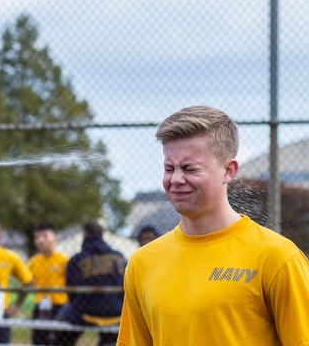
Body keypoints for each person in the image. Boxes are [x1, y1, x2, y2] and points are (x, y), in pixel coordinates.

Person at [117, 105, 309, 345]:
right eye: (169, 168)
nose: (176, 179)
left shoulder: (278, 257)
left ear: (229, 170)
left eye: (189, 168)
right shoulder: (142, 263)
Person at [56, 221, 126, 346]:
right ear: (102, 235)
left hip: (85, 312)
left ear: (85, 234)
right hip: (116, 311)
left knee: (61, 329)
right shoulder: (119, 257)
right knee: (111, 339)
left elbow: (70, 292)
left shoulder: (76, 260)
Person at [27, 221, 69, 345]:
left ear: (55, 238)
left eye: (45, 236)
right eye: (37, 237)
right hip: (40, 307)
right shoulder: (33, 262)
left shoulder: (64, 260)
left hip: (59, 308)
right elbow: (27, 281)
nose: (40, 241)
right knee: (38, 341)